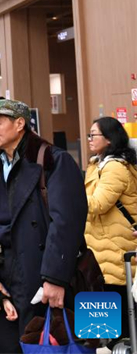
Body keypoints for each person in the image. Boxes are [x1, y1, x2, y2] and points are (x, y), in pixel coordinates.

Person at [0, 99, 87, 353]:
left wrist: (55, 278)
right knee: (5, 345)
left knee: (44, 344)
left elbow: (66, 223)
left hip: (41, 273)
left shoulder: (52, 160)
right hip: (3, 275)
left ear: (19, 124)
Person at [84, 116, 137, 344]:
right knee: (99, 324)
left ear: (109, 138)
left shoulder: (115, 167)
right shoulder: (96, 164)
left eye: (93, 134)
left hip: (115, 246)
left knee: (115, 322)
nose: (89, 139)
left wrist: (67, 199)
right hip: (99, 246)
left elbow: (97, 204)